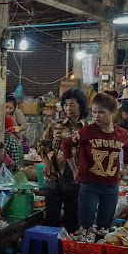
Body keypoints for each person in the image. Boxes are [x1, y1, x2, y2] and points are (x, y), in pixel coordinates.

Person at [62, 93, 128, 229]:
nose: (96, 116)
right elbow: (66, 145)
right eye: (94, 112)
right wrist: (75, 171)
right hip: (89, 186)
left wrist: (126, 168)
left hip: (111, 187)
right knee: (85, 226)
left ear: (112, 112)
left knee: (104, 226)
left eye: (101, 112)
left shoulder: (122, 134)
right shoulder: (87, 131)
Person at [36, 88, 88, 233]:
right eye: (65, 105)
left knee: (72, 219)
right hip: (54, 178)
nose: (68, 108)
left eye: (72, 104)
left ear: (81, 105)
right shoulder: (56, 124)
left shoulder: (87, 129)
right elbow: (41, 144)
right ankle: (49, 251)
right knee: (51, 218)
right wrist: (46, 161)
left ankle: (67, 252)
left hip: (75, 180)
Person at [5, 95, 28, 165]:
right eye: (6, 107)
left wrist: (16, 128)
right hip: (5, 145)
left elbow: (25, 125)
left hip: (16, 144)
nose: (7, 110)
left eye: (10, 108)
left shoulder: (17, 112)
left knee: (17, 167)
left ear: (14, 107)